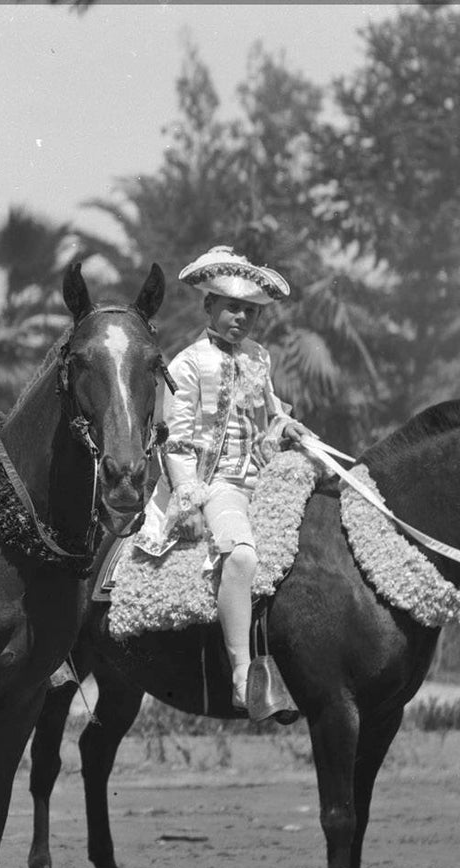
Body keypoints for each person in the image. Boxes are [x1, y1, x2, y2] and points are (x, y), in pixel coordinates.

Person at [136, 246, 307, 719]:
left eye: (250, 311)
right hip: (218, 484)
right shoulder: (188, 363)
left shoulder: (258, 358)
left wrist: (285, 426)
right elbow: (175, 441)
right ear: (208, 306)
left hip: (265, 477)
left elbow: (269, 414)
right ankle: (242, 678)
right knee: (243, 556)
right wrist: (188, 503)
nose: (241, 318)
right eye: (232, 307)